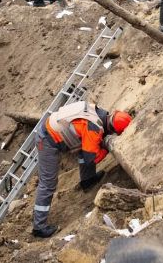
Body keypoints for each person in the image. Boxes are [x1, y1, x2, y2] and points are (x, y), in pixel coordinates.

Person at [32, 100, 132, 238]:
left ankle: (88, 180)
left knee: (87, 146)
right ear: (113, 129)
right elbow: (92, 158)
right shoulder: (94, 128)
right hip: (47, 139)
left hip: (54, 128)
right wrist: (104, 149)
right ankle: (39, 227)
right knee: (48, 183)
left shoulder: (100, 113)